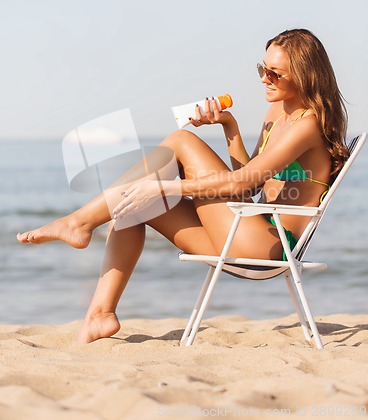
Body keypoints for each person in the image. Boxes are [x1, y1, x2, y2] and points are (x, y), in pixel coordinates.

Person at [17, 28, 349, 344]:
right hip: (244, 229)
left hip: (268, 246)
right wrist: (229, 127)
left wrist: (167, 189)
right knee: (131, 208)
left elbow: (244, 182)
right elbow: (248, 187)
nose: (265, 78)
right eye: (263, 68)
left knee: (179, 141)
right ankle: (99, 314)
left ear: (305, 75)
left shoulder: (308, 125)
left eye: (275, 73)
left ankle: (79, 221)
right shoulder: (277, 112)